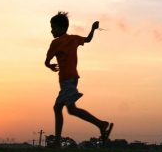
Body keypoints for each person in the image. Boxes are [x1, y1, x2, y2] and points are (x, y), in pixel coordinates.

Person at [45, 11, 113, 145]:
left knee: (61, 108)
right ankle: (100, 124)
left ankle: (59, 141)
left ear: (62, 28)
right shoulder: (74, 39)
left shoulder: (56, 43)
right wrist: (93, 29)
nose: (51, 30)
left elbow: (46, 61)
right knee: (68, 109)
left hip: (67, 80)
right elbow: (88, 39)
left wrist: (50, 66)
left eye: (53, 27)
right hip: (71, 79)